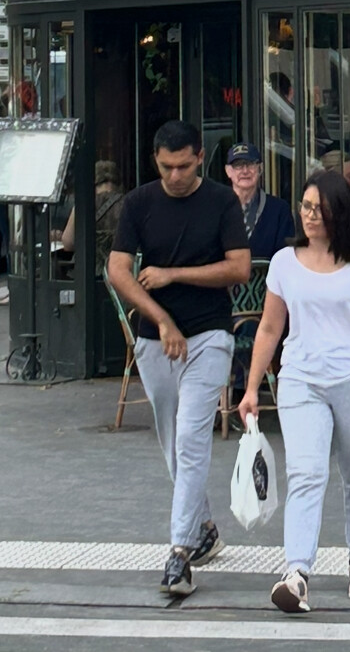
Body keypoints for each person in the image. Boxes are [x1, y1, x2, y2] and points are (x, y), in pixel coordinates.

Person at [239, 170, 350, 615]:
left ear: (341, 213)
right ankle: (296, 573)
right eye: (306, 206)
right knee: (306, 473)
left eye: (320, 208)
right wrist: (252, 387)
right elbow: (270, 327)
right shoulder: (284, 262)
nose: (310, 215)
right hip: (301, 378)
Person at [107, 121, 251, 599]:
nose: (175, 176)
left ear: (201, 158)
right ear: (156, 160)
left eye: (184, 166)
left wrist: (173, 275)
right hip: (155, 339)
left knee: (190, 438)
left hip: (210, 333)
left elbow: (239, 267)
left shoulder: (221, 201)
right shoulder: (139, 203)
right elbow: (117, 270)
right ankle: (203, 528)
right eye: (167, 167)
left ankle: (179, 554)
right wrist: (161, 319)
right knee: (173, 441)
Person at [50, 160, 126, 271]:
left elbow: (68, 243)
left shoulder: (84, 203)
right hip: (120, 270)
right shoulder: (128, 203)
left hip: (88, 270)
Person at [226, 141, 294, 257]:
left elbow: (285, 257)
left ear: (260, 168)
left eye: (250, 164)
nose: (245, 171)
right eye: (238, 165)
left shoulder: (279, 210)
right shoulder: (217, 208)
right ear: (228, 171)